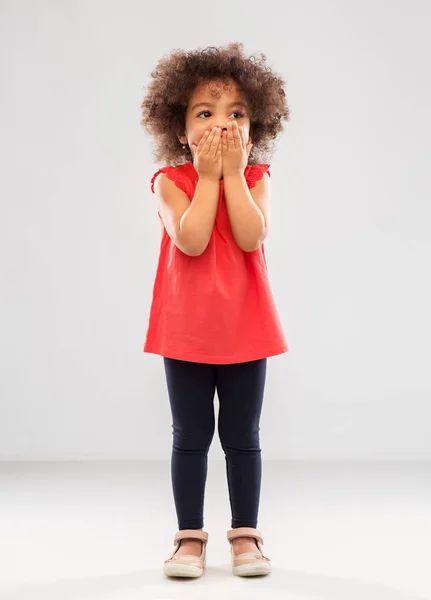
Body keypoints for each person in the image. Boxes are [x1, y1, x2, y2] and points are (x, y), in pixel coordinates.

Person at [140, 42, 290, 578]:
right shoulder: (169, 182)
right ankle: (188, 539)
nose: (221, 126)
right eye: (205, 114)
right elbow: (192, 241)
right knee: (191, 436)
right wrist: (206, 178)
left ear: (255, 127)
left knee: (243, 438)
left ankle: (246, 535)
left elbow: (251, 236)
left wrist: (231, 177)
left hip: (246, 330)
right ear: (180, 131)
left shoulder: (257, 180)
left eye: (236, 115)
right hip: (186, 334)